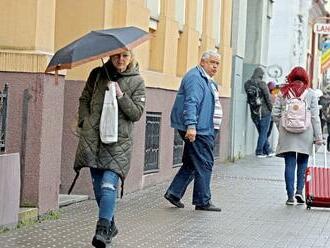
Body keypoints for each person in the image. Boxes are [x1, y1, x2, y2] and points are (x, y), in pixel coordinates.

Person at [73, 50, 146, 248]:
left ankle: (102, 230)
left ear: (131, 57)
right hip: (94, 138)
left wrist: (120, 95)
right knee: (98, 186)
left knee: (108, 185)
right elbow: (84, 99)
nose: (120, 60)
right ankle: (111, 224)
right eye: (115, 56)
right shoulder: (97, 75)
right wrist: (84, 121)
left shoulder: (137, 81)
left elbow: (136, 113)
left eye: (124, 56)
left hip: (118, 142)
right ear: (110, 57)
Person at [164, 50, 223, 212]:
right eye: (213, 62)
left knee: (192, 162)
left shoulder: (208, 80)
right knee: (205, 162)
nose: (215, 66)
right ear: (203, 62)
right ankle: (202, 200)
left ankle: (174, 193)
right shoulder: (196, 78)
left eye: (218, 63)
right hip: (199, 129)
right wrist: (191, 125)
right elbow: (191, 102)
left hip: (205, 128)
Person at [272, 66, 323, 206]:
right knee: (302, 163)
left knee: (289, 164)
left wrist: (281, 126)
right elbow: (315, 117)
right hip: (305, 133)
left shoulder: (283, 92)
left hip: (287, 133)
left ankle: (289, 197)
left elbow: (275, 114)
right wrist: (318, 136)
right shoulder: (311, 94)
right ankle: (299, 191)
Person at [244, 67, 274, 158]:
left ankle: (268, 150)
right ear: (261, 75)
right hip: (264, 112)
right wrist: (271, 110)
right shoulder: (262, 84)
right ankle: (259, 151)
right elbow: (268, 98)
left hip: (254, 113)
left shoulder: (247, 84)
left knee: (262, 132)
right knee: (264, 133)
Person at [319, 85, 330, 151]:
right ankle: (328, 147)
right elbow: (325, 109)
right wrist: (326, 115)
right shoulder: (327, 102)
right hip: (328, 119)